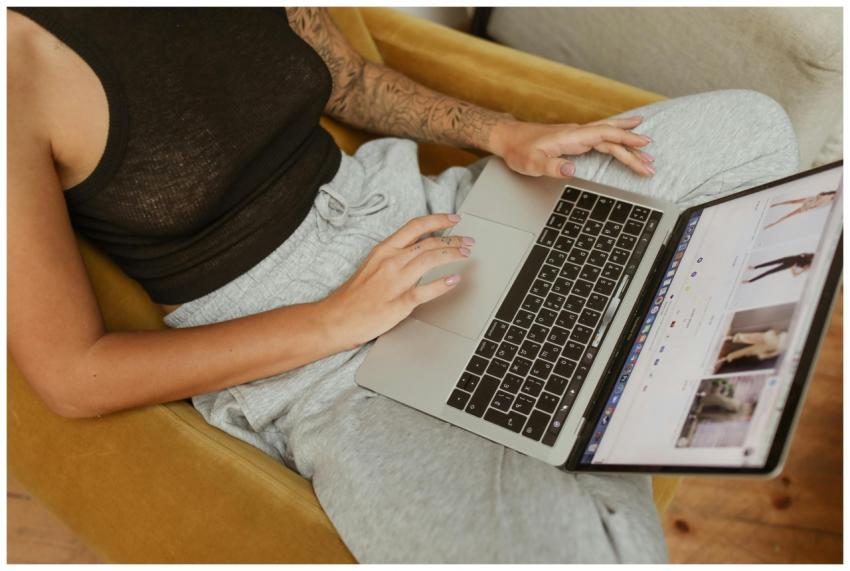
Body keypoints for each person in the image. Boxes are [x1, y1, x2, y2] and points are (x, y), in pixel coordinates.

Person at [8, 7, 799, 564]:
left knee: (749, 129)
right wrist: (336, 318)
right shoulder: (17, 63)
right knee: (576, 552)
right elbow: (73, 373)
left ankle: (553, 372)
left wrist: (499, 132)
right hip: (319, 365)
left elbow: (347, 79)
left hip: (429, 218)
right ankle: (566, 384)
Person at [764, 190, 837, 229]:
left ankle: (773, 224)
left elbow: (819, 206)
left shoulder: (830, 201)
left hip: (808, 207)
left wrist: (812, 207)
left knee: (789, 215)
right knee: (793, 201)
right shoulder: (829, 195)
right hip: (811, 200)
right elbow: (820, 194)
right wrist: (817, 198)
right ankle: (776, 204)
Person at [743, 252, 814, 283]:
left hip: (789, 264)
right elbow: (800, 255)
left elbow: (795, 275)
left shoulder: (809, 265)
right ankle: (755, 267)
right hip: (789, 258)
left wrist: (793, 268)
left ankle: (750, 281)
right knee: (771, 262)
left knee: (769, 272)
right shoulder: (811, 255)